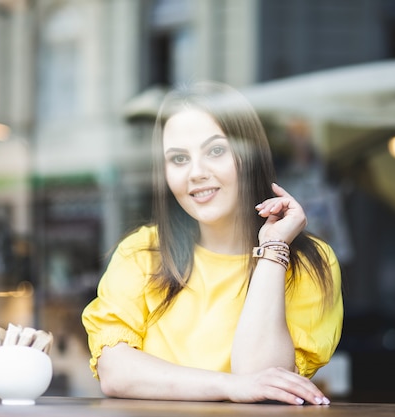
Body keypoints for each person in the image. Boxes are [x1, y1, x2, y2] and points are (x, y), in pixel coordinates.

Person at [82, 81, 343, 406]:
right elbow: (115, 372)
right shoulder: (140, 253)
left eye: (216, 151)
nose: (196, 173)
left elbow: (265, 381)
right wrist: (229, 386)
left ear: (249, 157)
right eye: (178, 159)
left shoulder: (310, 263)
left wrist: (274, 249)